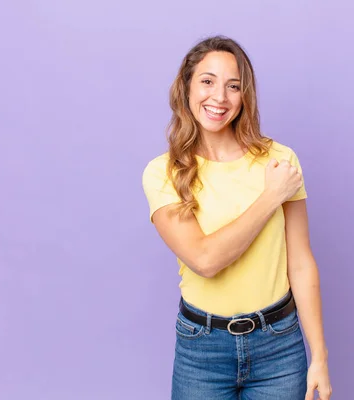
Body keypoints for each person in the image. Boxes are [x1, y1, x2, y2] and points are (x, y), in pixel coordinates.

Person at [142, 35, 332, 400]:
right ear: (186, 87)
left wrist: (319, 355)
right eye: (207, 81)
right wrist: (270, 196)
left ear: (245, 96)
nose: (219, 98)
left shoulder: (280, 160)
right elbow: (204, 259)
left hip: (279, 346)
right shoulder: (162, 172)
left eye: (233, 86)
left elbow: (302, 263)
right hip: (202, 349)